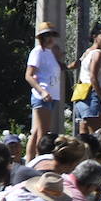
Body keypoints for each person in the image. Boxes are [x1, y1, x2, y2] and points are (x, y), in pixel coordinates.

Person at [25, 22, 63, 155]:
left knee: (36, 132)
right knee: (43, 133)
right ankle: (40, 161)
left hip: (51, 95)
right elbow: (28, 76)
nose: (50, 38)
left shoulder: (51, 52)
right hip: (43, 96)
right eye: (47, 35)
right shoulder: (37, 52)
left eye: (52, 34)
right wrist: (42, 91)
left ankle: (30, 161)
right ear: (41, 37)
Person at [73, 23, 101, 133]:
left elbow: (77, 66)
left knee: (84, 132)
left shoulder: (87, 52)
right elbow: (93, 77)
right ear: (95, 36)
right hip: (94, 95)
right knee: (96, 133)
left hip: (82, 94)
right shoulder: (98, 54)